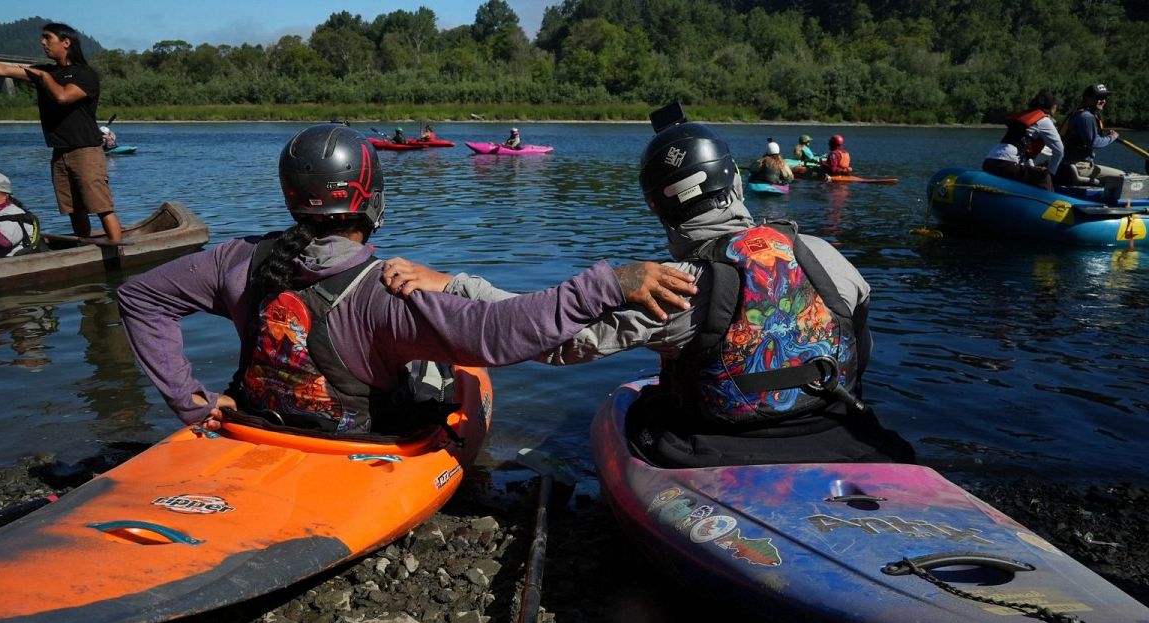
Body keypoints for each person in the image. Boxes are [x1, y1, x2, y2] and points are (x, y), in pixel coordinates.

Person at [384, 106, 914, 467]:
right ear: (733, 180)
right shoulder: (824, 254)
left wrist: (453, 284)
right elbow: (857, 341)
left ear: (659, 208)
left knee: (640, 411)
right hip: (836, 423)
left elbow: (550, 337)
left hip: (718, 445)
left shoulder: (673, 288)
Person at [116, 123, 696, 433]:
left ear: (290, 195)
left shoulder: (232, 259)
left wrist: (188, 400)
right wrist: (610, 282)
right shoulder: (390, 293)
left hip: (255, 421)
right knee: (437, 366)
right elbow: (500, 335)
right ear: (374, 203)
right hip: (348, 445)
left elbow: (140, 297)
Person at [0, 23, 123, 243]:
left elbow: (63, 97)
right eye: (42, 38)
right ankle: (83, 248)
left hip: (85, 151)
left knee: (101, 206)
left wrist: (43, 77)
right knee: (73, 208)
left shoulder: (84, 74)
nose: (43, 43)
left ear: (66, 42)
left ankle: (118, 249)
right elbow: (2, 70)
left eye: (48, 38)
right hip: (60, 152)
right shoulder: (47, 71)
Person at [981, 89, 1064, 192]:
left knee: (1032, 172)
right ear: (1051, 106)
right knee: (1044, 178)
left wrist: (1033, 167)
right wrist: (1050, 173)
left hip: (990, 161)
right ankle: (1049, 204)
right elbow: (1059, 151)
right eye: (1055, 105)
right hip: (1007, 163)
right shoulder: (1044, 121)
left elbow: (1023, 152)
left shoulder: (1026, 116)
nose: (1056, 108)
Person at [1057, 83, 1122, 186]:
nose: (1103, 100)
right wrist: (1111, 137)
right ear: (1087, 98)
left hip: (1071, 163)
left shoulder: (1078, 113)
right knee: (1122, 176)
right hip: (1080, 166)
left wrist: (1100, 135)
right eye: (1099, 97)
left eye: (1105, 97)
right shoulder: (1087, 117)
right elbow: (1094, 142)